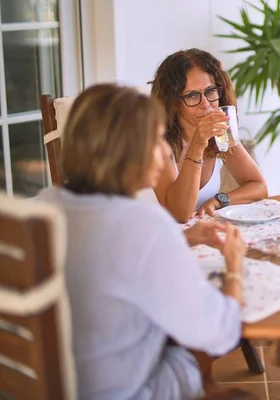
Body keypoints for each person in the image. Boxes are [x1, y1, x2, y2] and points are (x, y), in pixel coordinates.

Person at [37, 84, 247, 399]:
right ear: (125, 152)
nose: (165, 152)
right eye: (156, 141)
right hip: (119, 391)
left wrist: (182, 239)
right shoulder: (145, 225)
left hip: (50, 384)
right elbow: (220, 334)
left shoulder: (43, 207)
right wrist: (235, 267)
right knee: (188, 352)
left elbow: (106, 254)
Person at [151, 48, 268, 223]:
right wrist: (197, 145)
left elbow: (259, 186)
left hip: (197, 237)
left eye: (211, 91)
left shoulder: (220, 134)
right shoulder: (158, 144)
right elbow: (179, 214)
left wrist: (218, 201)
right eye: (192, 95)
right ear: (173, 103)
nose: (206, 105)